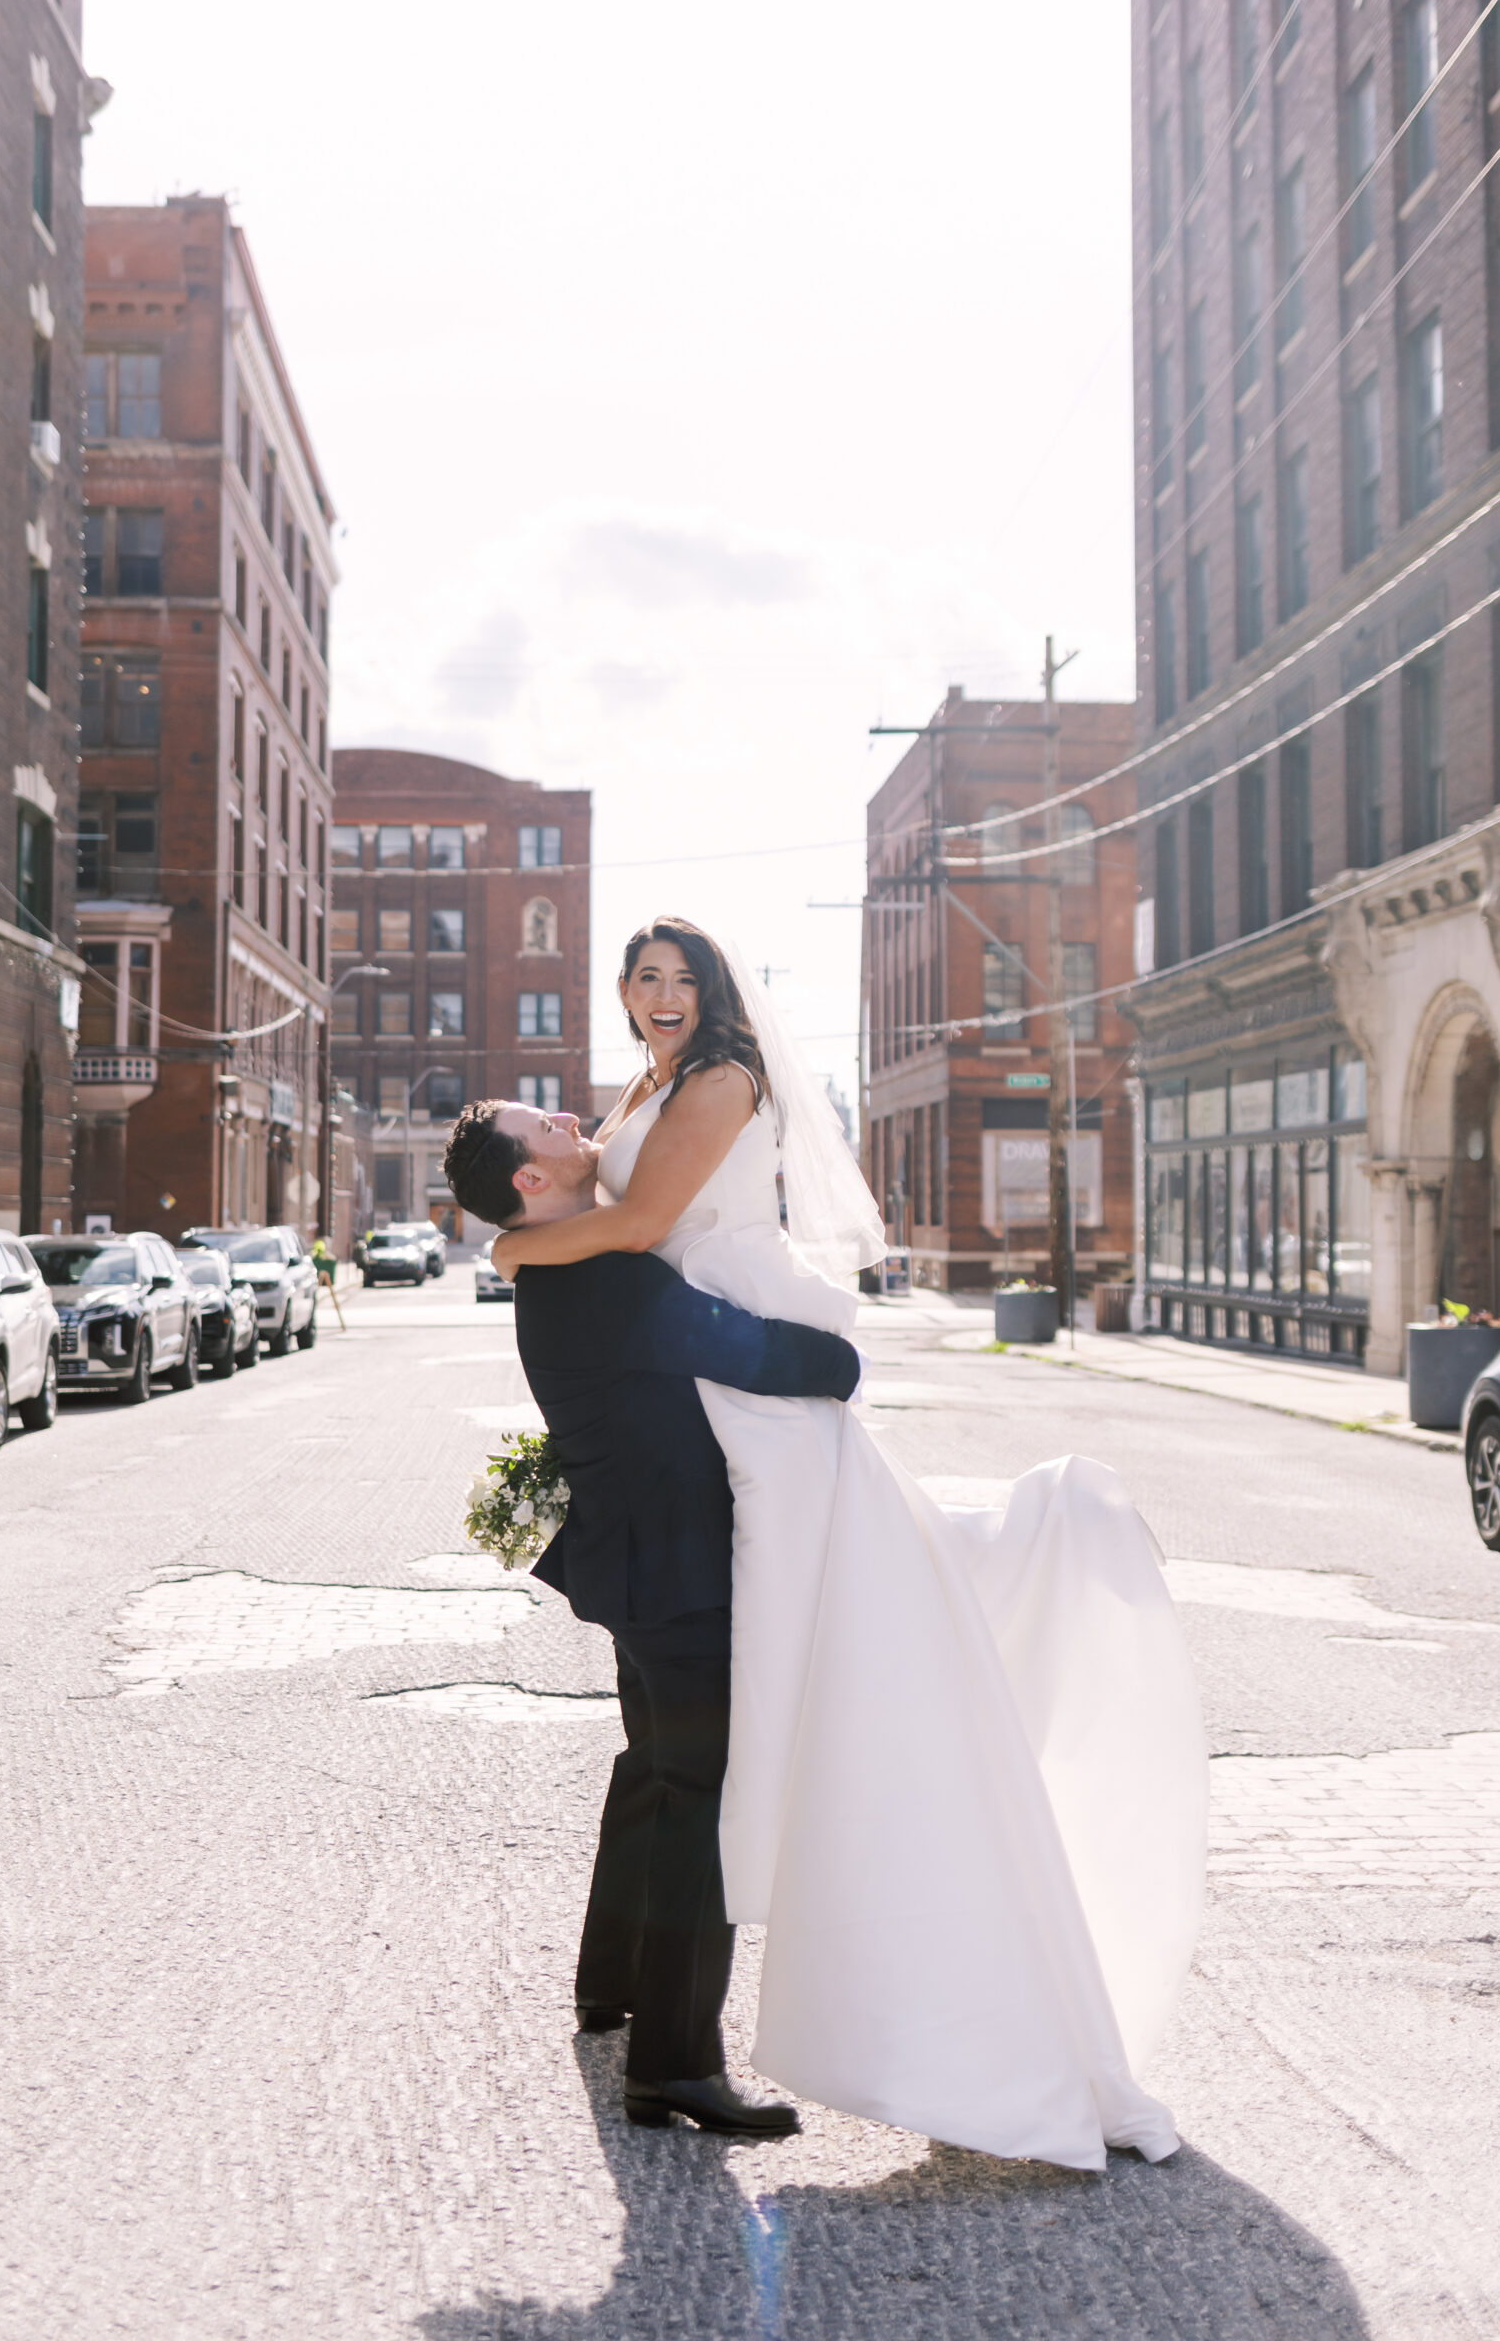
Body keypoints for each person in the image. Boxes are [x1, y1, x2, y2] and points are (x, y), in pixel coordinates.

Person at [484, 917, 1208, 2172]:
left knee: (721, 1722)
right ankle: (659, 2033)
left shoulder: (715, 1078)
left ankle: (649, 2013)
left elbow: (644, 1214)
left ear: (716, 990)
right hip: (702, 1401)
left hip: (727, 1358)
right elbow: (597, 1197)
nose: (660, 994)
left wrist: (514, 1241)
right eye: (642, 978)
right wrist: (524, 1228)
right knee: (692, 1749)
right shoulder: (643, 1091)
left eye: (681, 976)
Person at [442, 1097, 861, 2140]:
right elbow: (758, 1354)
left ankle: (612, 1984)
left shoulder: (553, 1265)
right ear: (531, 1181)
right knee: (697, 1800)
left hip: (638, 1565)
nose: (567, 1116)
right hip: (675, 1573)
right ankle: (675, 2064)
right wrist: (844, 1359)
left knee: (653, 1770)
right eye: (542, 1123)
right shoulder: (603, 1277)